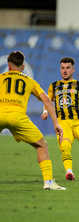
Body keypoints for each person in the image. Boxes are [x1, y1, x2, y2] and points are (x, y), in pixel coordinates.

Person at [0, 51, 66, 190]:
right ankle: (48, 183)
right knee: (42, 145)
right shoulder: (29, 81)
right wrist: (56, 123)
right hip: (18, 117)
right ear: (23, 67)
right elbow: (47, 101)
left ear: (9, 65)